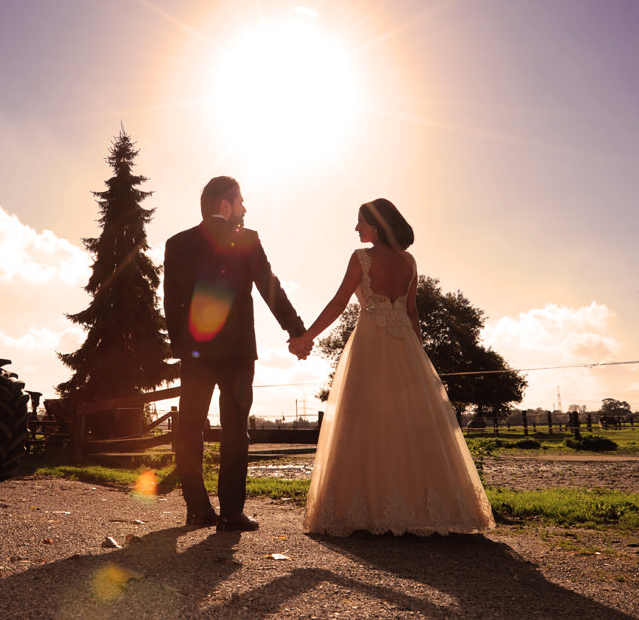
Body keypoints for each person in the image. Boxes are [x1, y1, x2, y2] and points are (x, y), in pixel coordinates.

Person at [289, 199, 495, 536]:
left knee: (363, 418)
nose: (356, 229)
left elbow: (340, 302)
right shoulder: (409, 261)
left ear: (377, 225)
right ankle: (420, 507)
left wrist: (306, 337)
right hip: (406, 346)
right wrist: (420, 356)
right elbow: (412, 312)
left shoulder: (362, 258)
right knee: (411, 423)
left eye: (361, 223)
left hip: (371, 342)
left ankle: (366, 508)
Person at [164, 176, 310, 532]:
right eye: (240, 202)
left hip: (196, 353)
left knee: (188, 430)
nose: (245, 209)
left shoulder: (177, 243)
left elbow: (172, 300)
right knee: (234, 431)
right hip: (237, 353)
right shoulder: (247, 240)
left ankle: (198, 509)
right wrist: (297, 330)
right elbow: (268, 287)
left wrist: (181, 346)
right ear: (224, 206)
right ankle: (230, 513)